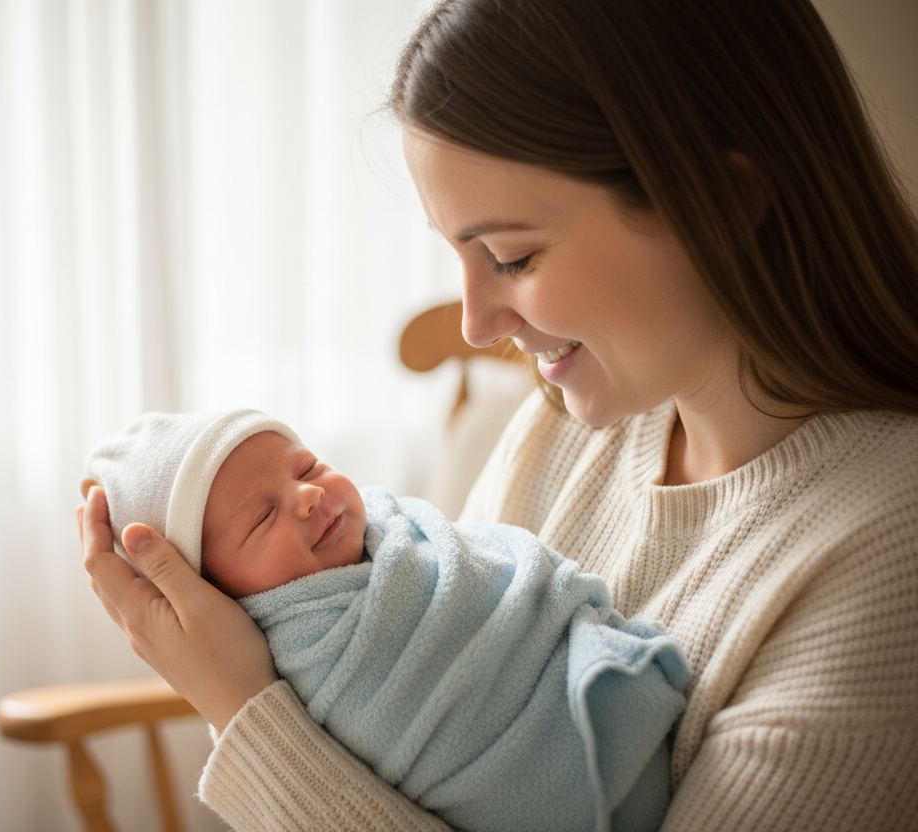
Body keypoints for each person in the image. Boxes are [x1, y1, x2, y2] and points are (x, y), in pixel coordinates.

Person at [78, 0, 918, 829]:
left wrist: (245, 709)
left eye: (513, 257)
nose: (477, 323)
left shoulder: (887, 556)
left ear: (723, 202)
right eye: (460, 254)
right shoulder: (568, 421)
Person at [83, 408, 690, 832]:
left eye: (308, 468)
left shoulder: (396, 532)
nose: (308, 497)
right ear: (212, 592)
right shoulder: (301, 645)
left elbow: (491, 573)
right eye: (262, 518)